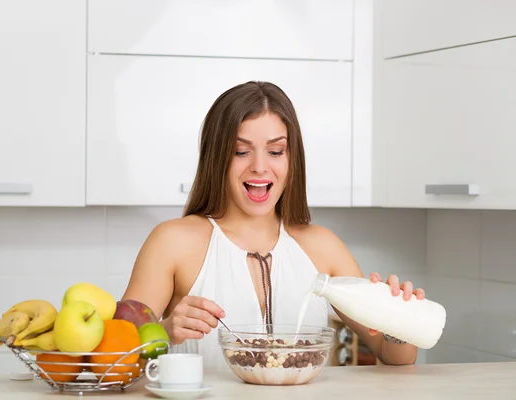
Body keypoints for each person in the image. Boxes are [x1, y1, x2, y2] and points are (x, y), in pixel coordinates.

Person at [121, 81, 426, 369]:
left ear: (292, 158)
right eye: (240, 151)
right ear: (216, 159)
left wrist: (399, 320)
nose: (259, 166)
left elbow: (393, 357)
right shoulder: (173, 242)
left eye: (275, 151)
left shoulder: (323, 247)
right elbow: (112, 358)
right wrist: (164, 331)